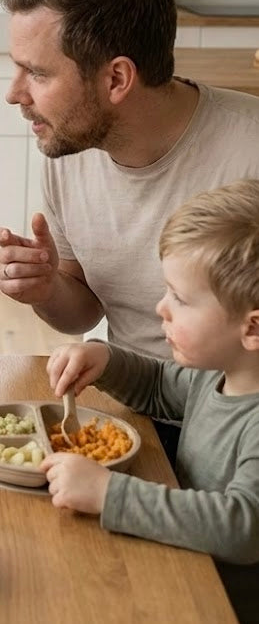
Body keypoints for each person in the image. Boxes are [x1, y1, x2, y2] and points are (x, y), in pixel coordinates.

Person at [0, 0, 259, 357]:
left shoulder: (249, 151)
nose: (13, 94)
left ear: (117, 79)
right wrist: (47, 289)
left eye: (38, 74)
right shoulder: (70, 145)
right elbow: (83, 311)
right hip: (130, 399)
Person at [42, 179, 259, 623]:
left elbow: (242, 527)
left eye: (180, 298)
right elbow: (161, 385)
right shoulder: (217, 374)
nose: (162, 308)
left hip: (217, 606)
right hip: (180, 565)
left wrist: (109, 493)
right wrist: (105, 358)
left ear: (252, 329)